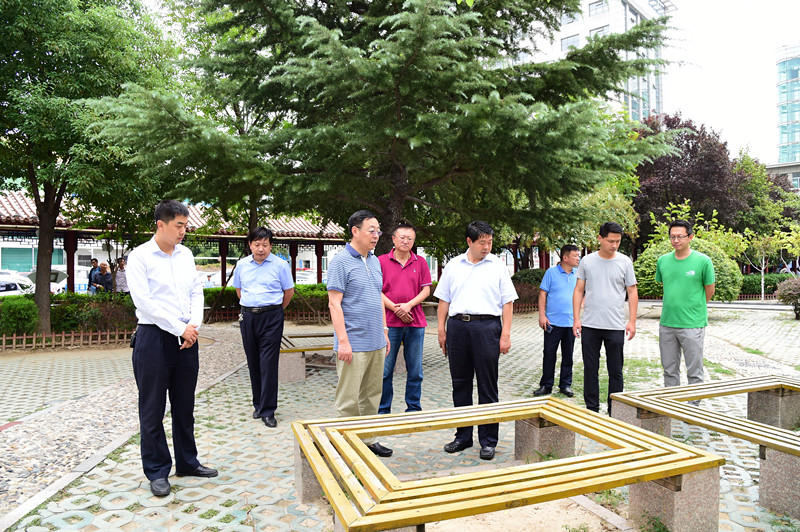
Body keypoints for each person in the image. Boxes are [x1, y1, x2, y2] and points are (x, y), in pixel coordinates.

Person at [127, 200, 217, 497]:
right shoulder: (140, 256)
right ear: (161, 224)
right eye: (179, 225)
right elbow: (144, 302)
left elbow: (196, 291)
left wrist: (193, 326)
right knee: (152, 408)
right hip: (154, 338)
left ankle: (188, 462)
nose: (183, 231)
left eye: (185, 225)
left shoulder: (186, 255)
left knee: (184, 405)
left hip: (187, 337)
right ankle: (157, 471)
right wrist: (180, 329)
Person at [434, 221, 517, 461]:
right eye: (482, 242)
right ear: (469, 241)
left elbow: (508, 302)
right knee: (460, 383)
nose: (487, 247)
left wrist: (506, 334)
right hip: (457, 327)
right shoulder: (453, 265)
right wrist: (441, 330)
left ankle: (488, 441)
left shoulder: (497, 266)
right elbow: (443, 300)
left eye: (489, 242)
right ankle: (463, 436)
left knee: (487, 385)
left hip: (487, 327)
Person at [327, 210, 393, 457]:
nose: (376, 235)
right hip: (353, 343)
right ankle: (345, 446)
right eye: (371, 230)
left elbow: (378, 298)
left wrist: (384, 330)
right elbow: (334, 304)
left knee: (372, 395)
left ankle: (368, 440)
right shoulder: (340, 261)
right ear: (355, 231)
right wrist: (343, 342)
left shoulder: (374, 261)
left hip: (376, 341)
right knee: (348, 399)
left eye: (378, 231)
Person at [232, 227, 295, 428]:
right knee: (253, 361)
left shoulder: (281, 265)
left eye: (265, 245)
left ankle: (268, 411)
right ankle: (258, 404)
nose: (261, 249)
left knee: (268, 363)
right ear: (250, 245)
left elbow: (289, 292)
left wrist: (274, 310)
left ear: (271, 245)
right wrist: (252, 307)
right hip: (248, 316)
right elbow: (239, 290)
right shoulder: (242, 265)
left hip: (272, 317)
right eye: (257, 244)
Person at [573, 222, 638, 414]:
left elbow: (632, 291)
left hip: (615, 325)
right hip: (590, 324)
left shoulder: (625, 262)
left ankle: (615, 409)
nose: (614, 245)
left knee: (616, 371)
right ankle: (591, 409)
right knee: (590, 369)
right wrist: (576, 319)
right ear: (600, 238)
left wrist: (632, 321)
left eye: (618, 241)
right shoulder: (587, 261)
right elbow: (578, 290)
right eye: (611, 241)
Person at [656, 220, 715, 394]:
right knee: (669, 369)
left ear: (690, 237)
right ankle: (672, 403)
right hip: (667, 323)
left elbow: (709, 290)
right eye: (672, 237)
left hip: (692, 324)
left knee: (694, 371)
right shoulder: (663, 261)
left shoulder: (703, 261)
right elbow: (667, 286)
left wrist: (693, 307)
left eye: (680, 236)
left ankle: (692, 406)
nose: (676, 240)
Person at [378, 223, 432, 414]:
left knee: (415, 370)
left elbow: (426, 290)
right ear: (393, 239)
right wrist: (396, 309)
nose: (406, 241)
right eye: (402, 237)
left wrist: (408, 306)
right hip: (389, 324)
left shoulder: (420, 262)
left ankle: (414, 408)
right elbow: (377, 290)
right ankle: (383, 409)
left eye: (410, 238)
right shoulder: (381, 261)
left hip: (415, 322)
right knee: (385, 370)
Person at [533, 244, 581, 398]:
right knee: (549, 354)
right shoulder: (551, 272)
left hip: (570, 322)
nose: (578, 258)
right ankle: (546, 385)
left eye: (578, 255)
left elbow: (583, 293)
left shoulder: (578, 274)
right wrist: (542, 315)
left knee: (568, 355)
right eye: (575, 256)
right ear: (565, 257)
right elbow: (542, 294)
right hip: (552, 322)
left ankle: (565, 385)